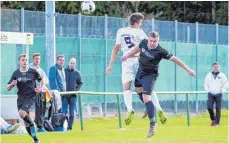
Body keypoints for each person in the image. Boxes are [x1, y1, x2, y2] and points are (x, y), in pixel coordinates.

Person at [121, 31, 195, 138]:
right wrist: (127, 55)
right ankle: (152, 108)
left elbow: (175, 60)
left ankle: (153, 123)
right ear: (148, 39)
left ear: (158, 40)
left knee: (146, 98)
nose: (152, 43)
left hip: (150, 75)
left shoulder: (161, 51)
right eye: (151, 40)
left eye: (154, 41)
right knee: (138, 90)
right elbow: (136, 49)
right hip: (140, 73)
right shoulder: (143, 42)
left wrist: (188, 70)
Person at [106, 12, 166, 125]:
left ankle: (130, 109)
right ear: (138, 23)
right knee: (147, 88)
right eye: (141, 22)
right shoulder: (140, 33)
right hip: (139, 61)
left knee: (126, 88)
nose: (141, 24)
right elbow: (150, 46)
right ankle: (158, 108)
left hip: (126, 62)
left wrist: (110, 66)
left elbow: (116, 49)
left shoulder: (121, 31)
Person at [7, 54, 44, 143]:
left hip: (31, 97)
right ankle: (36, 140)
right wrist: (12, 84)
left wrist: (41, 89)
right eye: (23, 60)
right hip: (20, 98)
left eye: (26, 60)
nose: (25, 62)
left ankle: (32, 124)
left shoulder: (33, 71)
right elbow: (7, 87)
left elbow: (42, 80)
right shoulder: (16, 73)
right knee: (25, 122)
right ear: (19, 62)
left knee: (22, 113)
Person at [204, 62, 228, 126]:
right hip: (211, 94)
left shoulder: (222, 75)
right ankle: (213, 119)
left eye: (217, 67)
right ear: (212, 67)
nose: (216, 68)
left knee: (218, 108)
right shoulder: (208, 75)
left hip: (218, 94)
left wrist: (222, 91)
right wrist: (208, 91)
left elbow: (226, 84)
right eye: (215, 67)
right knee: (209, 107)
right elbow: (205, 84)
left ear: (219, 67)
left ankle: (217, 123)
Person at [30, 53, 49, 132]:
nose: (37, 60)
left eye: (39, 59)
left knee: (42, 109)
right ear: (33, 59)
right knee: (32, 110)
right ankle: (33, 127)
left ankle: (40, 126)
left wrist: (42, 88)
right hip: (32, 92)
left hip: (40, 92)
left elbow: (45, 80)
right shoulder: (30, 68)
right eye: (36, 58)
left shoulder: (40, 69)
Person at [63, 58, 83, 131]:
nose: (72, 64)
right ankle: (64, 126)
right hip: (65, 95)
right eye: (71, 63)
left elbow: (80, 83)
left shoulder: (77, 73)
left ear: (75, 64)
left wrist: (76, 90)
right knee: (64, 112)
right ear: (69, 63)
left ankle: (69, 127)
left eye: (73, 63)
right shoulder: (64, 71)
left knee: (72, 113)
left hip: (73, 96)